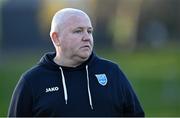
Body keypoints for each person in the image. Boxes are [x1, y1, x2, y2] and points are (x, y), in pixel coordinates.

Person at [8, 8, 144, 117]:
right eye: (78, 31)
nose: (87, 37)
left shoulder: (112, 72)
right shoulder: (32, 81)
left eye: (89, 31)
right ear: (56, 38)